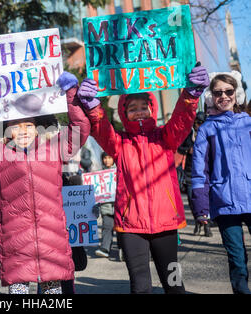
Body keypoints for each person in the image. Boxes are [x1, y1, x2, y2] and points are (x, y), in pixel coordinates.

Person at [0, 71, 90, 294]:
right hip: (16, 246)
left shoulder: (53, 150)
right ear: (8, 130)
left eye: (29, 125)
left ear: (38, 128)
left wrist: (71, 95)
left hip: (52, 244)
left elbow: (79, 129)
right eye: (16, 125)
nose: (23, 130)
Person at [77, 63, 210, 294]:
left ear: (153, 109)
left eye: (143, 106)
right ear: (124, 112)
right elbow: (100, 128)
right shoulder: (119, 143)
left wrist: (191, 94)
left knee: (175, 283)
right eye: (132, 108)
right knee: (140, 287)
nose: (139, 111)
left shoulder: (166, 137)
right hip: (131, 227)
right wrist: (92, 106)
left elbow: (181, 119)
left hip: (166, 224)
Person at [191, 72, 251, 294]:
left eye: (229, 91)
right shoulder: (206, 129)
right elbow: (199, 171)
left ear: (237, 94)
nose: (224, 96)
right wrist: (200, 207)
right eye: (218, 93)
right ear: (211, 96)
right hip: (224, 203)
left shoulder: (248, 124)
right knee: (237, 259)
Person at [177, 111, 212, 236]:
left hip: (207, 173)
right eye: (196, 123)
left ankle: (207, 225)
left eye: (200, 122)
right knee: (193, 201)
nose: (198, 125)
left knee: (207, 200)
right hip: (190, 174)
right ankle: (198, 221)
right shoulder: (189, 135)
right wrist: (188, 149)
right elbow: (179, 147)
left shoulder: (209, 134)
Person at [93, 152, 117, 258]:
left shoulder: (119, 171)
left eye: (109, 158)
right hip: (106, 207)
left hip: (120, 207)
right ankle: (105, 248)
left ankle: (123, 250)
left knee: (122, 231)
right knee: (107, 227)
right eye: (105, 158)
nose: (107, 160)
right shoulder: (99, 174)